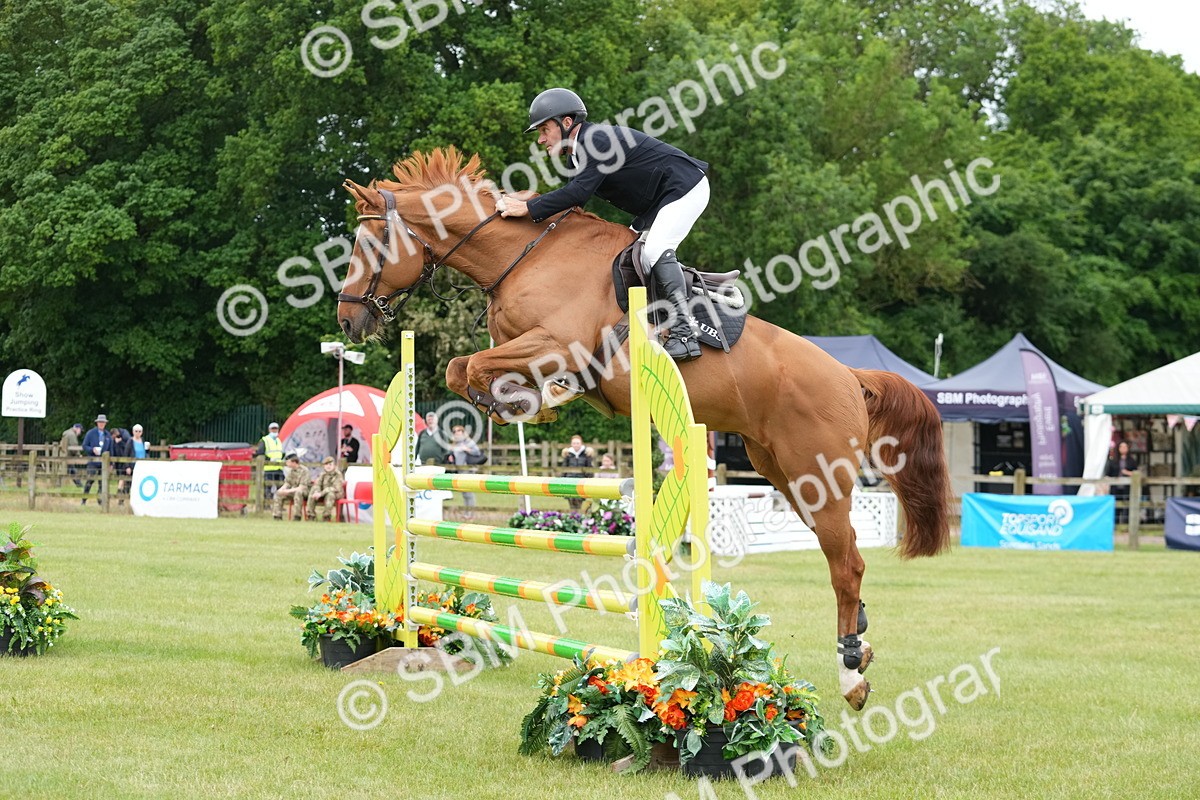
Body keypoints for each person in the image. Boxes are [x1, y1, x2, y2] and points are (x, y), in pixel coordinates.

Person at [500, 87, 709, 362]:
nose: (540, 140)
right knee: (625, 254)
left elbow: (577, 194)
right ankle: (652, 320)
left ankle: (686, 334)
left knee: (655, 249)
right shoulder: (576, 155)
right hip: (657, 203)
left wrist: (527, 208)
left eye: (544, 130)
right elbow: (573, 209)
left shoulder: (596, 139)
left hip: (685, 187)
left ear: (566, 122)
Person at [448, 424, 482, 521]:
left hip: (468, 470)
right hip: (459, 470)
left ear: (463, 432)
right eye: (455, 431)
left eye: (459, 431)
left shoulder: (468, 442)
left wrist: (467, 449)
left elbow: (477, 452)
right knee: (464, 493)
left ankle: (471, 513)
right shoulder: (455, 444)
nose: (457, 433)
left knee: (469, 493)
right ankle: (467, 513)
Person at [1105, 440, 1140, 525]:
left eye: (1125, 447)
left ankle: (1126, 525)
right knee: (1116, 506)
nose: (1123, 449)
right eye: (1121, 447)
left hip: (1127, 487)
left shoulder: (1131, 461)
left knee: (1127, 506)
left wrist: (1127, 473)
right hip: (1115, 487)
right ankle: (1115, 524)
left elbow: (1137, 473)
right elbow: (1108, 474)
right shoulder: (1113, 460)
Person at [80, 414, 112, 505]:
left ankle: (100, 500)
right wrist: (92, 450)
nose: (101, 424)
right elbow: (84, 446)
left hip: (104, 462)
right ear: (97, 423)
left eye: (103, 422)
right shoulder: (91, 433)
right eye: (100, 422)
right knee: (90, 480)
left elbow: (111, 449)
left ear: (105, 424)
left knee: (102, 482)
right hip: (93, 461)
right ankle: (84, 499)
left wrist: (111, 464)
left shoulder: (108, 435)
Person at [560, 434, 595, 511]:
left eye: (577, 443)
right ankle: (573, 514)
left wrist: (589, 478)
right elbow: (564, 467)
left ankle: (578, 513)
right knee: (571, 499)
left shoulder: (586, 453)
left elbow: (589, 467)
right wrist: (562, 478)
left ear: (581, 443)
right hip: (569, 479)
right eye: (574, 443)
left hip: (581, 479)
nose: (576, 445)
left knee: (580, 498)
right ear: (571, 444)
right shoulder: (568, 454)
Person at [306, 456, 345, 522]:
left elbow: (335, 488)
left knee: (330, 494)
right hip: (323, 493)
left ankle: (326, 517)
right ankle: (311, 515)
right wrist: (317, 492)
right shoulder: (322, 474)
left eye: (330, 464)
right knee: (313, 489)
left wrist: (320, 494)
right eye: (326, 464)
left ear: (334, 466)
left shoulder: (338, 474)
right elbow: (317, 484)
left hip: (336, 494)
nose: (328, 466)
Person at [272, 453, 309, 520]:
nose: (286, 463)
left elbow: (302, 487)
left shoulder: (304, 471)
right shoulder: (291, 471)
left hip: (303, 491)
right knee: (278, 494)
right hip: (292, 491)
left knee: (298, 492)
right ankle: (277, 516)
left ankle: (297, 516)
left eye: (288, 462)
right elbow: (287, 483)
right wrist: (281, 490)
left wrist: (288, 491)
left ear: (294, 462)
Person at [257, 422, 285, 500]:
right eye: (273, 429)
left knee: (281, 486)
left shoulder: (279, 440)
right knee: (268, 487)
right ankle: (267, 504)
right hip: (269, 468)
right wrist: (269, 459)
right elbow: (260, 452)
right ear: (269, 430)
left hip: (279, 467)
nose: (274, 430)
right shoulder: (265, 440)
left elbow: (280, 453)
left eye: (276, 429)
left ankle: (279, 504)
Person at [110, 428, 134, 501]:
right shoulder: (116, 439)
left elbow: (128, 447)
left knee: (124, 477)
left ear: (114, 434)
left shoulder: (125, 435)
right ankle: (121, 493)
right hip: (118, 460)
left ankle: (121, 492)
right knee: (121, 477)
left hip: (125, 460)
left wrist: (120, 443)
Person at [60, 422, 83, 488]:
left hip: (63, 454)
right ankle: (79, 484)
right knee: (72, 471)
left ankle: (78, 484)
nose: (80, 432)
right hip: (69, 456)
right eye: (80, 430)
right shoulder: (72, 435)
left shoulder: (66, 433)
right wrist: (78, 455)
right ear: (77, 428)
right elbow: (74, 446)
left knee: (67, 470)